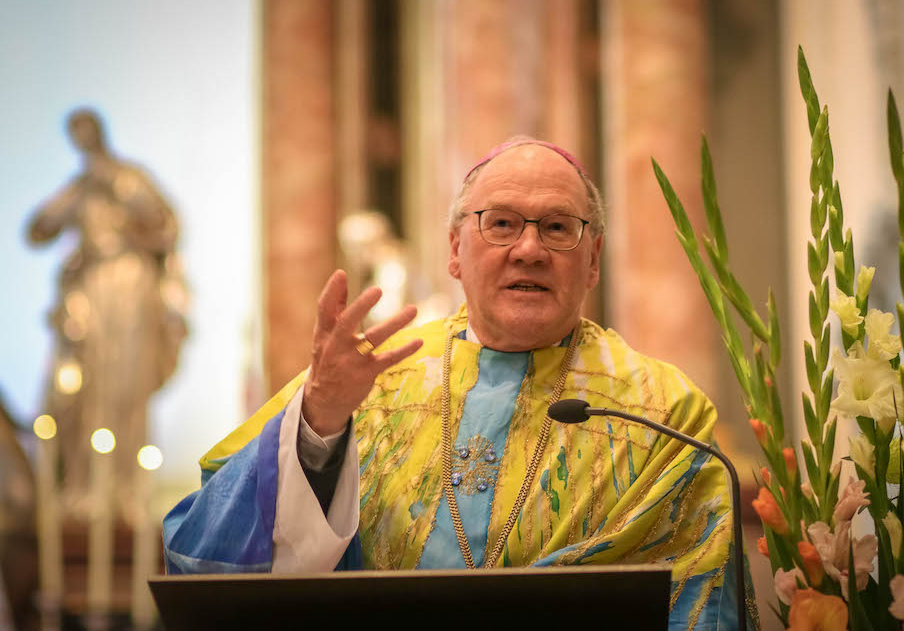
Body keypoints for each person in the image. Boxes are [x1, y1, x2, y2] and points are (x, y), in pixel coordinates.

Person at [164, 137, 745, 629]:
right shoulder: (369, 379)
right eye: (501, 225)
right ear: (454, 251)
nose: (529, 250)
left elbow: (694, 601)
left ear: (592, 260)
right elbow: (204, 554)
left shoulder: (662, 411)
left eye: (558, 228)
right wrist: (318, 426)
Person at [27, 108, 187, 522]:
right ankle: (87, 488)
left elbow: (164, 223)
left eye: (86, 132)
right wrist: (74, 198)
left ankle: (127, 488)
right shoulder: (79, 188)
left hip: (131, 286)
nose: (82, 140)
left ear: (98, 133)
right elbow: (37, 230)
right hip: (93, 286)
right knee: (89, 385)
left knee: (128, 383)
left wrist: (116, 185)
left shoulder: (127, 175)